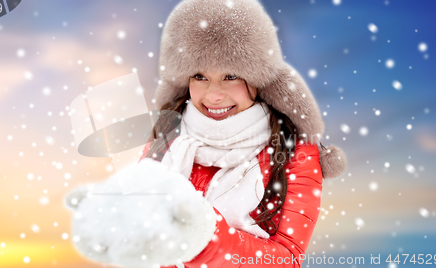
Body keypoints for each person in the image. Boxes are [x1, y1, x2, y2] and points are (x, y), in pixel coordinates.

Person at [137, 0, 348, 267]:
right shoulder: (168, 136)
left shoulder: (294, 151)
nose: (213, 95)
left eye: (231, 75)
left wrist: (204, 235)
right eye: (199, 76)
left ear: (258, 81)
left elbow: (286, 258)